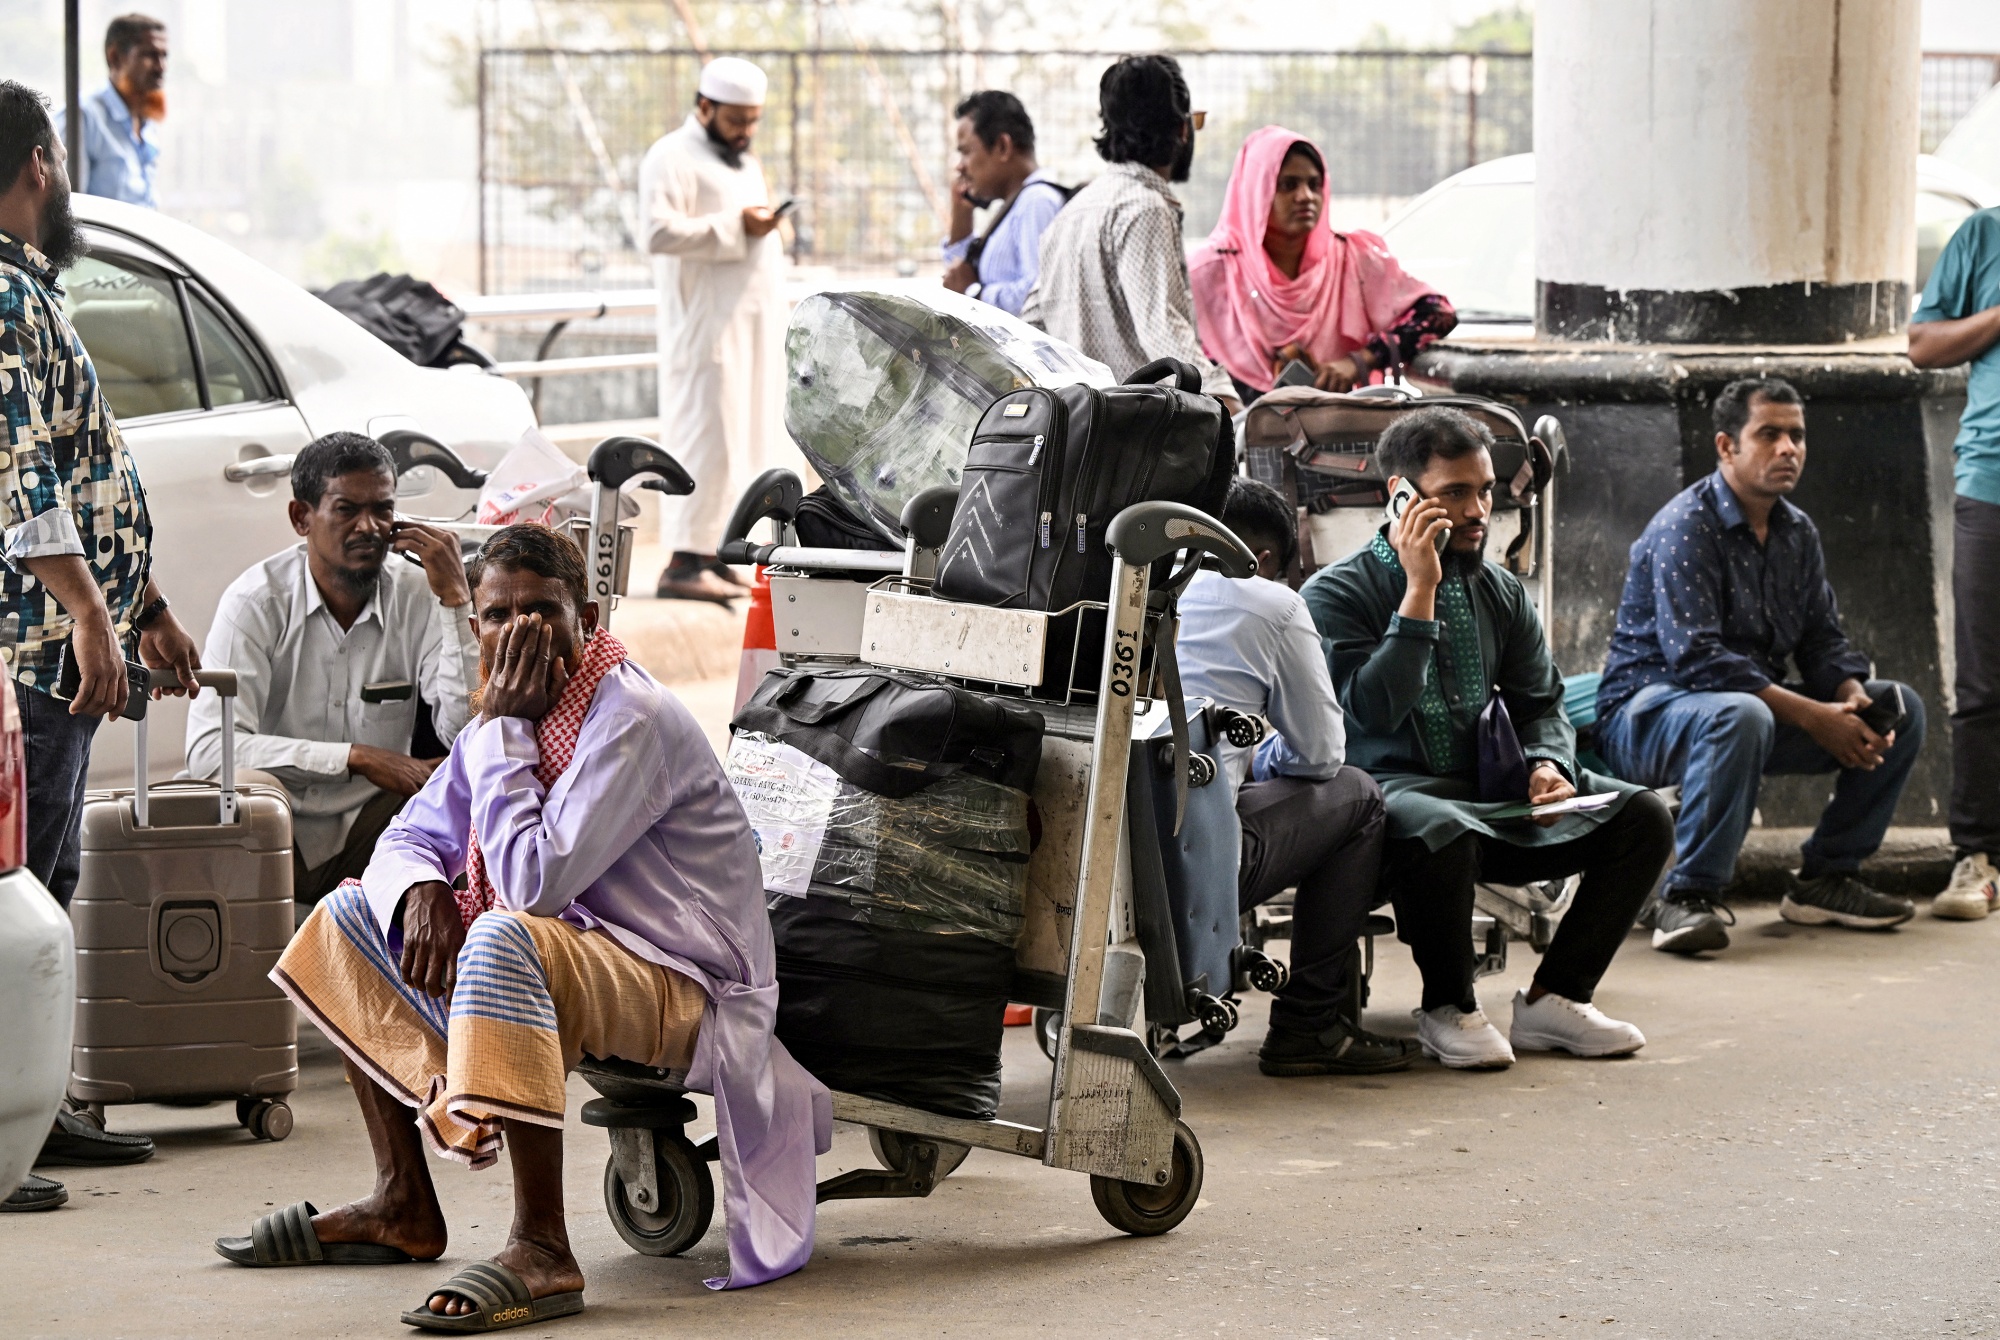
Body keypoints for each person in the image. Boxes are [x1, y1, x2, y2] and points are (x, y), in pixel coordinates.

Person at [212, 524, 828, 1324]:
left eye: (541, 613)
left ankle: (543, 1247)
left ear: (590, 617)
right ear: (475, 627)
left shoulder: (623, 716)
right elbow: (409, 837)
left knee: (508, 934)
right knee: (349, 913)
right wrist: (421, 891)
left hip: (689, 984)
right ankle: (403, 1203)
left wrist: (504, 726)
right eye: (498, 617)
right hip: (589, 956)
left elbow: (533, 884)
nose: (517, 634)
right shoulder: (500, 716)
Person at [1301, 407, 1674, 1070]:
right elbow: (1372, 713)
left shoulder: (1500, 591)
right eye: (1455, 494)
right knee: (1440, 823)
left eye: (1485, 491)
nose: (1479, 511)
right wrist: (1419, 592)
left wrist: (1548, 764)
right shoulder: (1338, 592)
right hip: (1394, 803)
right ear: (1402, 497)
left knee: (1642, 816)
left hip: (1492, 796)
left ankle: (1555, 999)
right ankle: (1449, 1006)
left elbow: (1541, 704)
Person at [0, 80, 203, 1208]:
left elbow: (83, 475)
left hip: (66, 637)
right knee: (17, 887)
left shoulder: (25, 291)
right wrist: (86, 611)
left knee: (51, 877)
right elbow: (19, 474)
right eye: (62, 165)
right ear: (38, 163)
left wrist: (141, 603)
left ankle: (37, 1106)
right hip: (35, 646)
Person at [1596, 378, 1925, 953]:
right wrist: (1818, 718)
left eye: (1796, 435)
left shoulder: (1797, 532)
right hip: (1648, 716)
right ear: (1727, 446)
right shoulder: (1685, 527)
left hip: (1751, 715)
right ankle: (1686, 896)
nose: (1788, 449)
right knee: (1743, 714)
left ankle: (1826, 878)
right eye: (1768, 434)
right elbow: (1696, 659)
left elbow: (1822, 642)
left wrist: (1850, 698)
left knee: (1902, 709)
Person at [1176, 478, 1410, 1076]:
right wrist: (1263, 756)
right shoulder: (1272, 602)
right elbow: (1322, 756)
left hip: (1100, 847)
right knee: (1357, 795)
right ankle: (1311, 1021)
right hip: (1192, 862)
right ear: (1267, 560)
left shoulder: (1130, 590)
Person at [186, 433, 480, 908]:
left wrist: (454, 601)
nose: (368, 527)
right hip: (272, 834)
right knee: (247, 793)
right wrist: (355, 757)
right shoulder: (255, 603)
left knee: (470, 789)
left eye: (382, 510)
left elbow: (463, 731)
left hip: (375, 831)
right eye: (346, 510)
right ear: (301, 517)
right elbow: (208, 752)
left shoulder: (418, 594)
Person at [637, 56, 787, 604]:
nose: (746, 130)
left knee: (742, 441)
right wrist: (736, 227)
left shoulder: (743, 162)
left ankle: (714, 554)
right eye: (736, 119)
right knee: (705, 438)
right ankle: (681, 562)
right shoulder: (670, 156)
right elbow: (656, 232)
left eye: (754, 119)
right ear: (704, 106)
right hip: (703, 329)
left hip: (750, 327)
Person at [1022, 55, 1239, 413]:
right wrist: (1223, 398)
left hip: (1078, 431)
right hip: (1138, 438)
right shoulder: (1146, 209)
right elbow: (1161, 328)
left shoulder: (1071, 213)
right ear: (1182, 129)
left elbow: (1032, 324)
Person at [1189, 125, 1456, 405]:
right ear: (1255, 192)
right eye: (1288, 185)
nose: (1306, 196)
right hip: (1236, 438)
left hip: (1335, 437)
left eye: (1314, 185)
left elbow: (1438, 313)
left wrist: (1358, 361)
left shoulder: (1352, 259)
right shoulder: (1208, 273)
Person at [1908, 206, 2000, 920]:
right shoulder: (1983, 236)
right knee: (1983, 684)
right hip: (1991, 487)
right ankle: (1977, 857)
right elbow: (1923, 344)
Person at [941, 91, 1066, 317]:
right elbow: (957, 279)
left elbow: (1039, 296)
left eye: (966, 151)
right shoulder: (1016, 206)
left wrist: (975, 292)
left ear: (1002, 146)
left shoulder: (1036, 202)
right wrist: (961, 215)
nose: (960, 167)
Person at [55, 14, 168, 208]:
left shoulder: (146, 124)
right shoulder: (83, 118)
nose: (161, 67)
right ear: (114, 57)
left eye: (164, 55)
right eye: (150, 55)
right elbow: (65, 208)